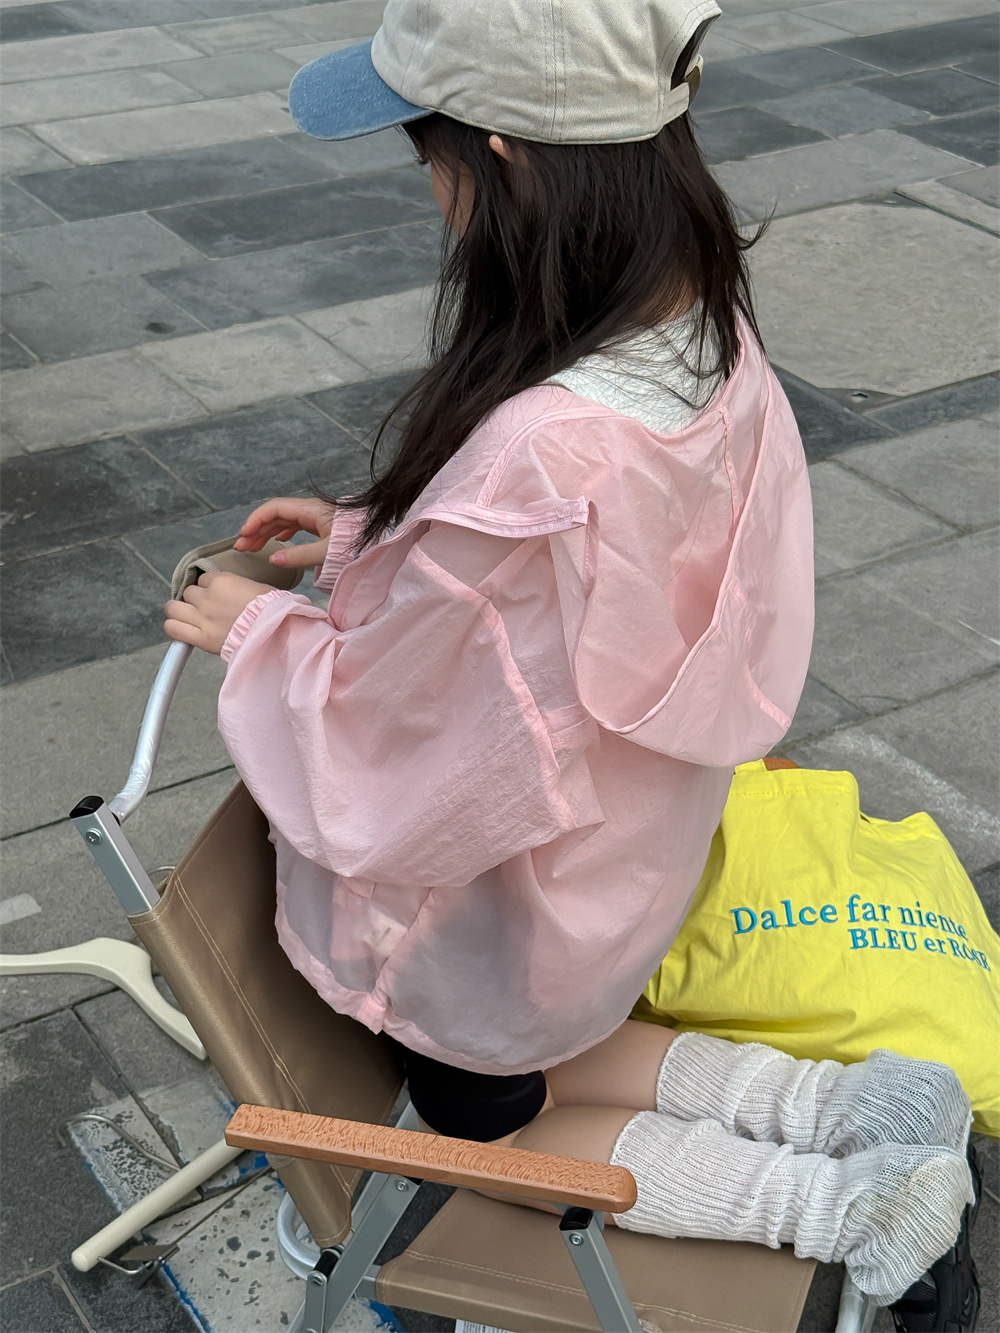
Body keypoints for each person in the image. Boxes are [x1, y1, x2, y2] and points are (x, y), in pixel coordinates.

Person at [163, 0, 975, 1310]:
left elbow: (406, 765)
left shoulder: (540, 451)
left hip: (507, 908)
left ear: (504, 158)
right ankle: (854, 1106)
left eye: (429, 156)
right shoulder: (702, 328)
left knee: (492, 1129)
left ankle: (837, 1203)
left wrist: (253, 631)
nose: (431, 193)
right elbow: (576, 588)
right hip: (624, 864)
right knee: (547, 1047)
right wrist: (379, 533)